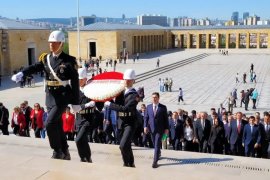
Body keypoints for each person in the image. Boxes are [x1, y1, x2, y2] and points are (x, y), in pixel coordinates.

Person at [11, 30, 80, 160]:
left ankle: (56, 150)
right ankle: (64, 149)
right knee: (57, 124)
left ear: (61, 43)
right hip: (50, 96)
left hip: (62, 96)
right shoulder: (46, 59)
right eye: (50, 43)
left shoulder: (69, 60)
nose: (51, 45)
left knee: (49, 123)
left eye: (54, 43)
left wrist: (75, 102)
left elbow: (75, 83)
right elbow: (34, 67)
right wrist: (22, 73)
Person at [104, 69, 139, 168]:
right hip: (120, 122)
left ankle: (126, 163)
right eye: (125, 79)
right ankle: (130, 163)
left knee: (122, 145)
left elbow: (125, 109)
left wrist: (110, 105)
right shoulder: (120, 92)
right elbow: (115, 101)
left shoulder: (135, 95)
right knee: (126, 145)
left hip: (130, 123)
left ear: (133, 81)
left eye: (129, 80)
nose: (127, 81)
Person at [75, 67, 97, 163]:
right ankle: (87, 157)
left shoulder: (91, 89)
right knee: (83, 140)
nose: (78, 81)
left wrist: (97, 102)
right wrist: (87, 104)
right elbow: (75, 108)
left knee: (78, 139)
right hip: (79, 118)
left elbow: (98, 102)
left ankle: (83, 157)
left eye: (80, 79)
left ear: (85, 79)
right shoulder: (75, 91)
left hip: (88, 119)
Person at [144, 92, 169, 168]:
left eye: (155, 97)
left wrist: (166, 129)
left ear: (158, 98)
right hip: (151, 129)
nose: (154, 99)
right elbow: (146, 118)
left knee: (157, 144)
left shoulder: (163, 107)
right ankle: (158, 153)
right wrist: (145, 127)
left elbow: (166, 119)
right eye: (153, 97)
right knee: (154, 143)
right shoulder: (148, 107)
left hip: (160, 129)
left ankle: (155, 162)